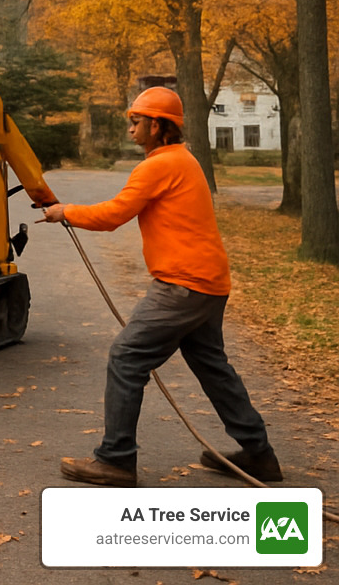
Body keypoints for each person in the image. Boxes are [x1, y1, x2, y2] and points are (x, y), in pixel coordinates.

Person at [43, 86, 280, 487]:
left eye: (136, 123)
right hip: (209, 283)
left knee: (126, 356)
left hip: (183, 285)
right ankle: (259, 455)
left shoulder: (159, 166)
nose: (131, 130)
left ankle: (115, 460)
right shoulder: (181, 160)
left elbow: (114, 214)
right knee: (211, 366)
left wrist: (65, 211)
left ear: (157, 125)